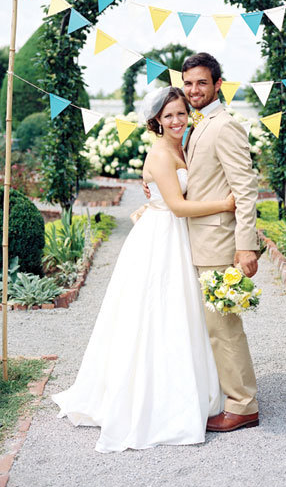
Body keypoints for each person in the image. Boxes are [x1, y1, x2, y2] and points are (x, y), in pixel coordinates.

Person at [52, 86, 236, 452]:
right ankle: (155, 399)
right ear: (156, 120)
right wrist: (226, 203)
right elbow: (178, 206)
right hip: (161, 238)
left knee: (184, 312)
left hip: (177, 235)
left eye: (181, 113)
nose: (176, 120)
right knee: (157, 312)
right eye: (168, 116)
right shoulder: (161, 154)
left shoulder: (183, 144)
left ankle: (193, 385)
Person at [145, 52, 260, 432]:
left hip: (218, 242)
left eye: (202, 83)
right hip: (190, 240)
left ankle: (243, 405)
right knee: (208, 327)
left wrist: (246, 245)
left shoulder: (224, 126)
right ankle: (220, 392)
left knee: (224, 326)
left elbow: (245, 189)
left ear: (217, 86)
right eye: (189, 82)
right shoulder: (194, 126)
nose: (194, 90)